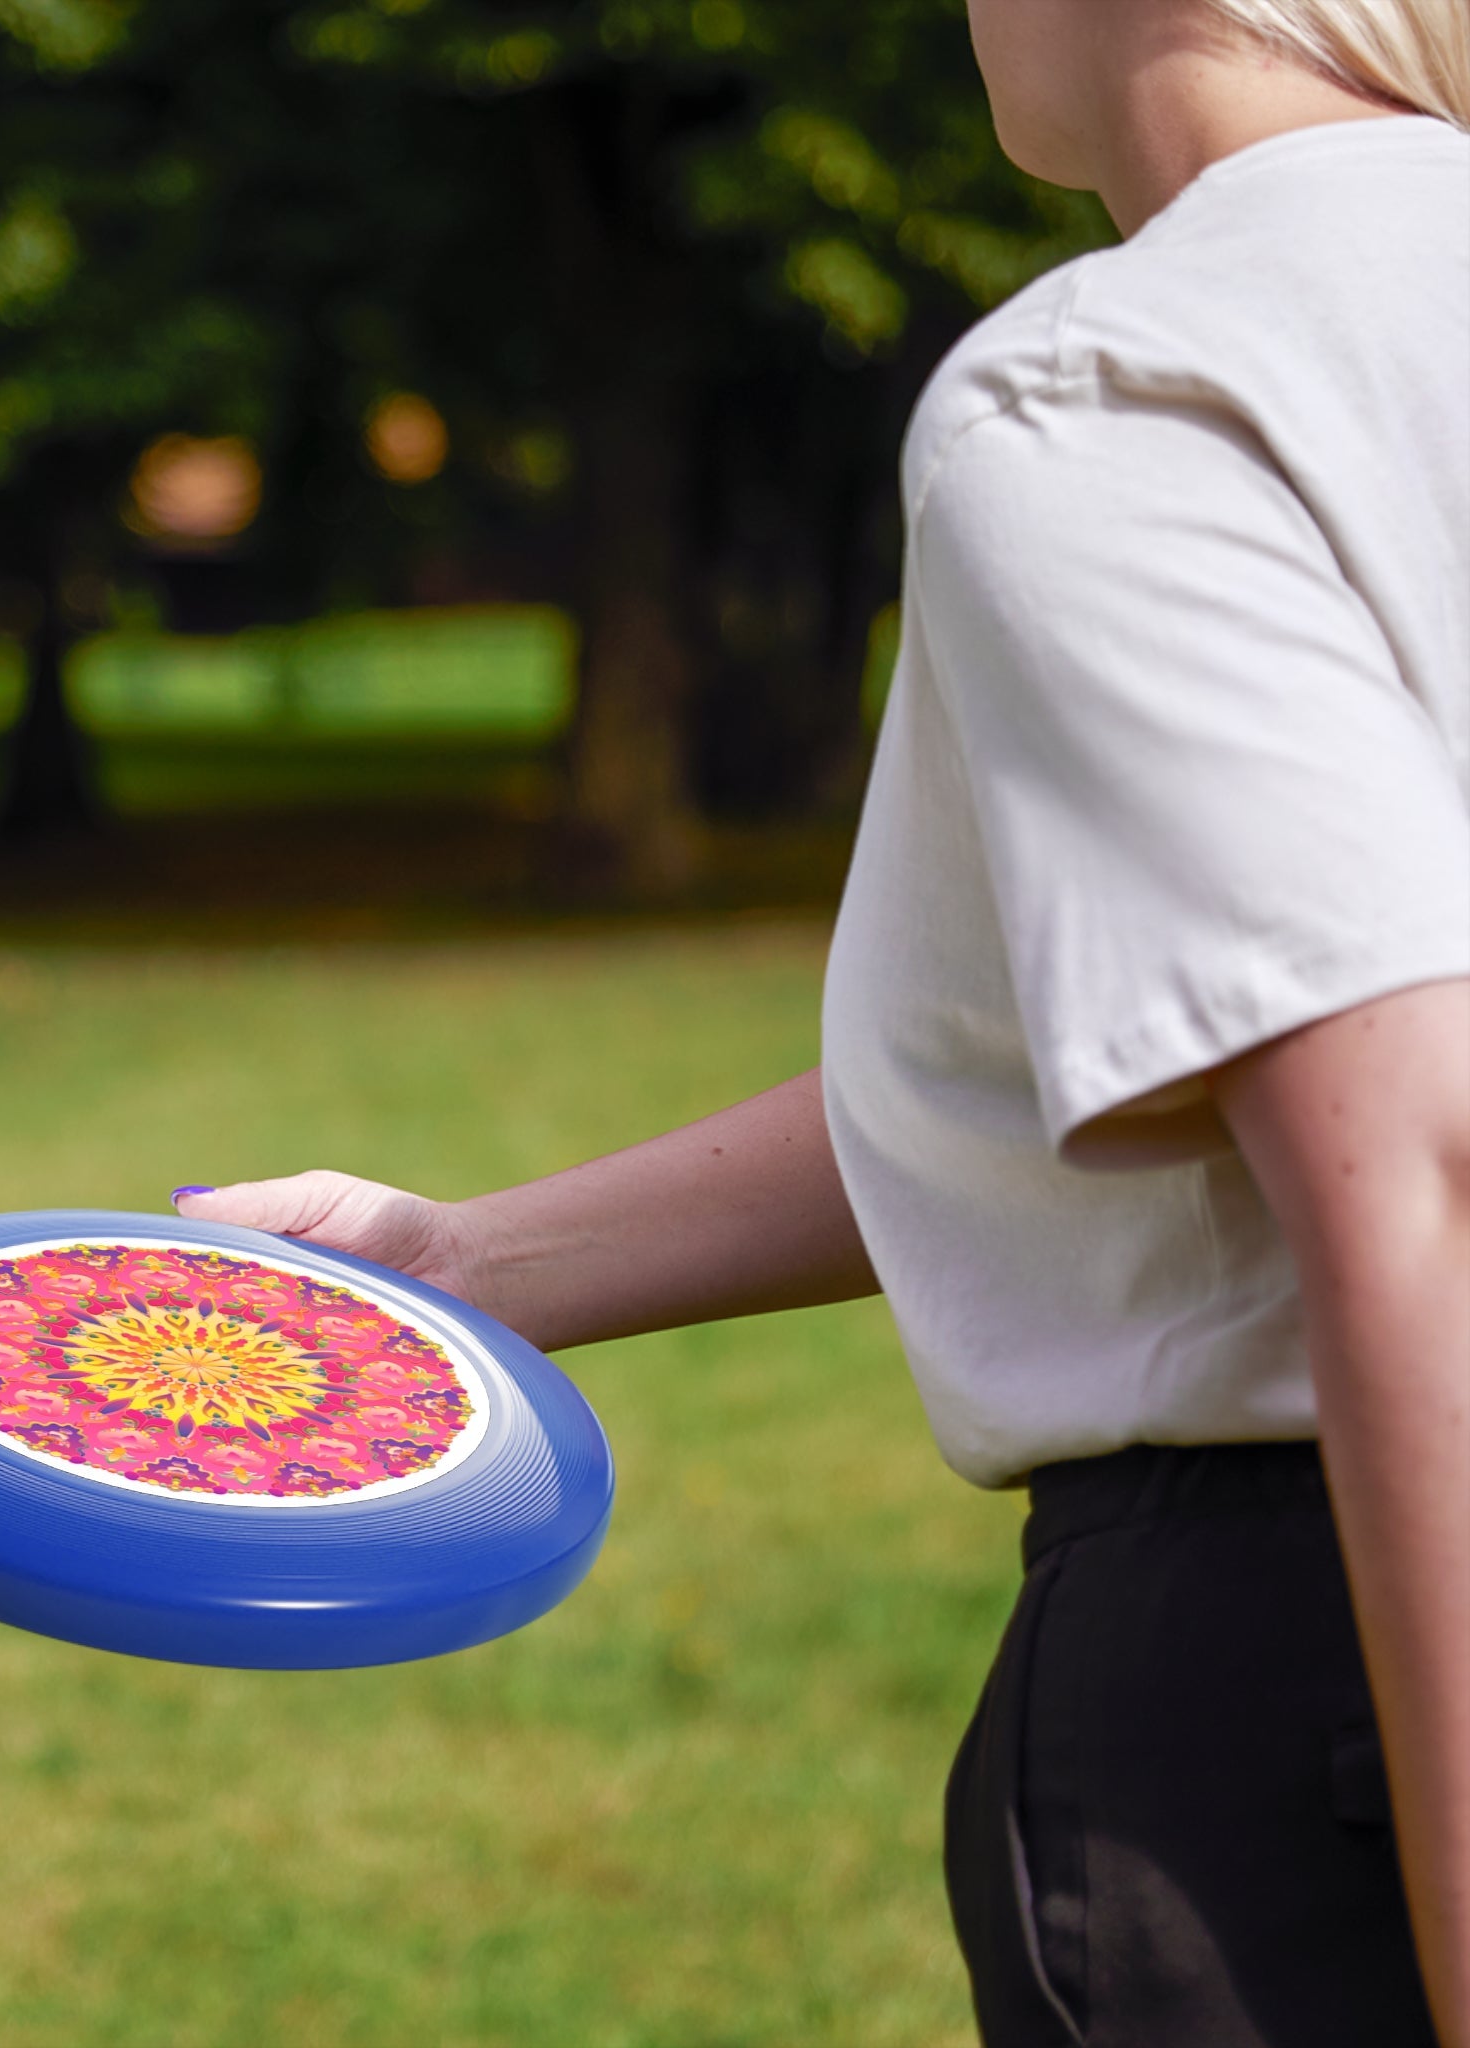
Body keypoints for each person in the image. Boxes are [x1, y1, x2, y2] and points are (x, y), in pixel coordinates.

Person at [172, 2, 1470, 2041]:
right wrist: (471, 1262)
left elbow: (1418, 1163)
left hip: (1325, 1685)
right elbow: (1167, 1044)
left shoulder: (1127, 382)